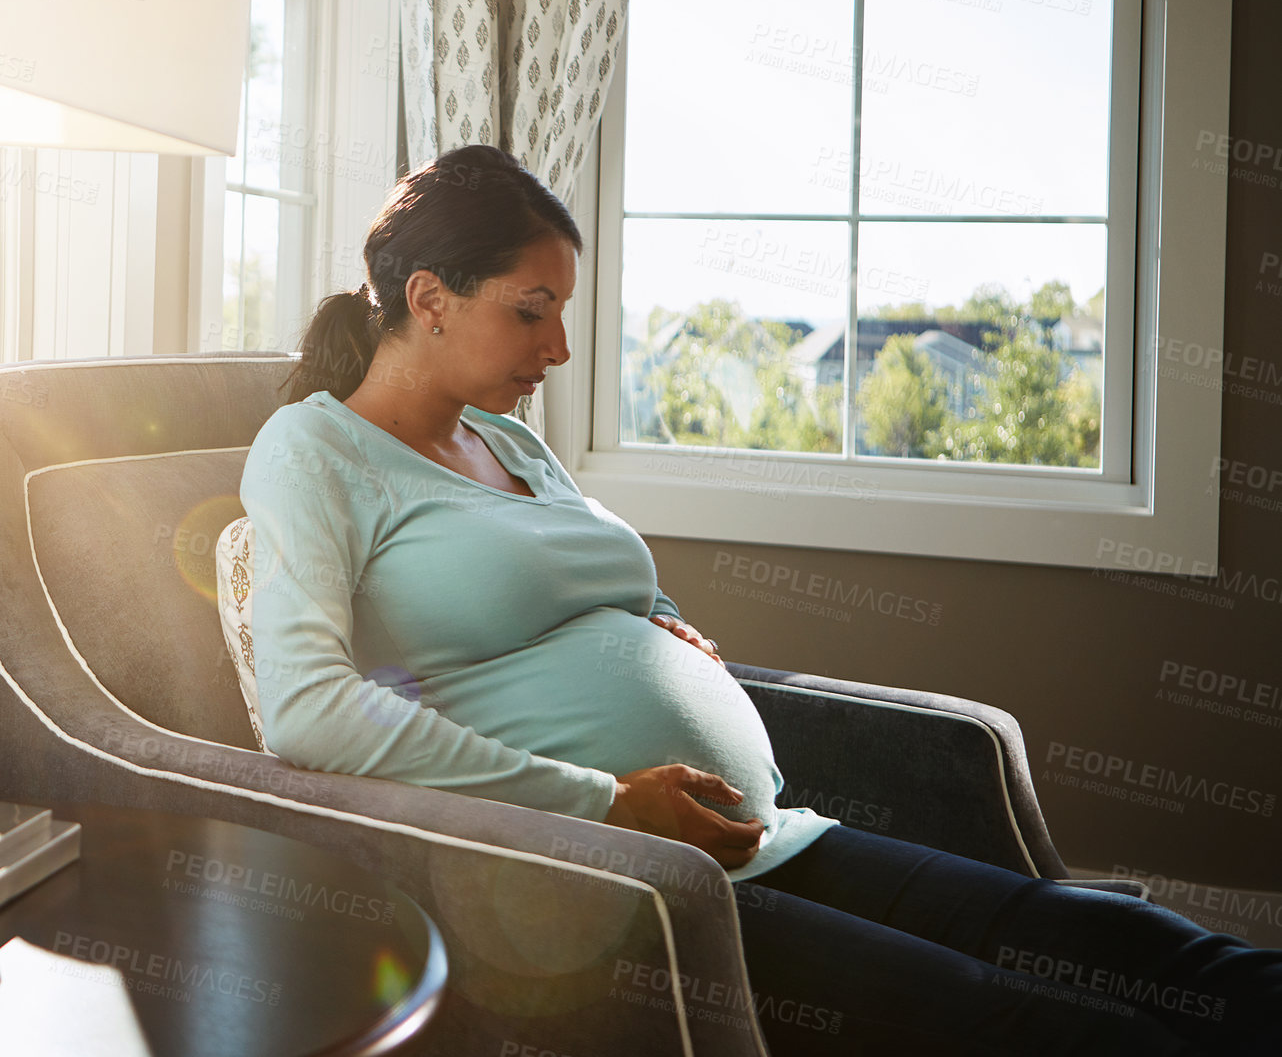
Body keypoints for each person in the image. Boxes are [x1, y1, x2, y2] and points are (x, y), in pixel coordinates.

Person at [239, 143, 1282, 1056]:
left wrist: (652, 623)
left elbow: (579, 573)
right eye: (532, 309)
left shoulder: (504, 435)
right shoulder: (315, 450)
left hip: (766, 832)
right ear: (427, 298)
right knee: (1068, 1028)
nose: (557, 348)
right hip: (623, 880)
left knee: (1139, 948)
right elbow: (309, 709)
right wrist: (605, 798)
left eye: (562, 309)